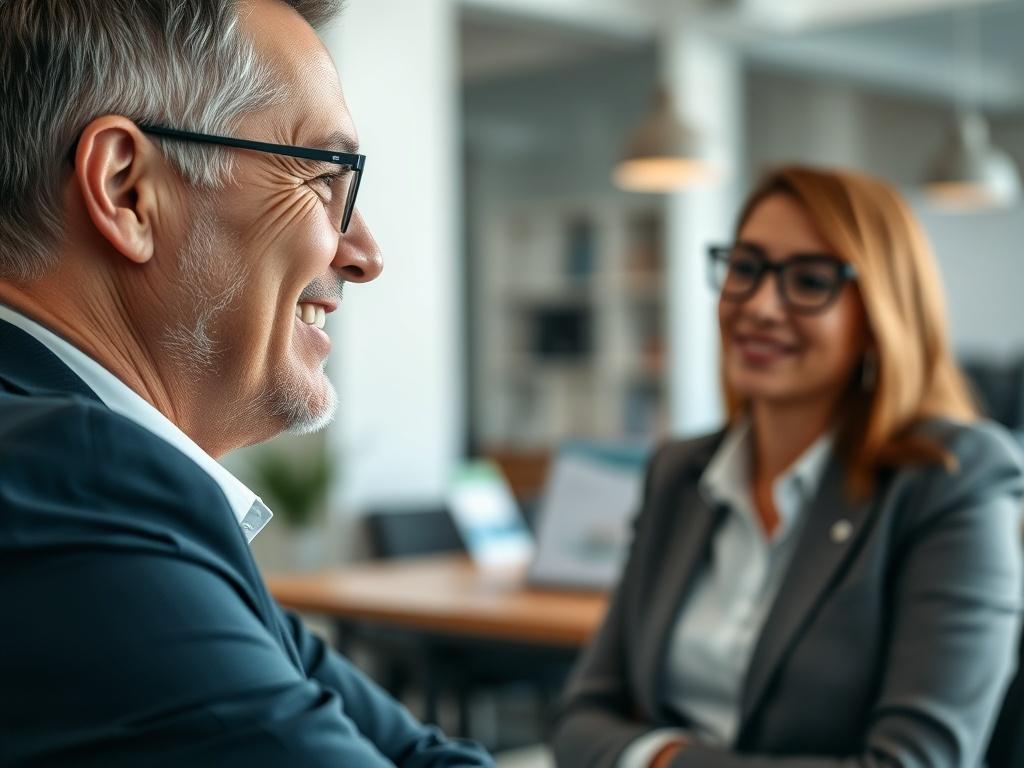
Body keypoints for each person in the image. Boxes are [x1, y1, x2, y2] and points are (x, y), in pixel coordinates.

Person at [0, 1, 492, 766]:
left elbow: (421, 754)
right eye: (324, 177)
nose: (364, 253)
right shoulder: (71, 480)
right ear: (129, 190)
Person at [550, 165, 1024, 768]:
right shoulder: (679, 472)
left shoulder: (951, 478)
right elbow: (578, 719)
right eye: (745, 269)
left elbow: (917, 762)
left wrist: (665, 761)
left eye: (809, 280)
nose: (761, 306)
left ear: (882, 314)